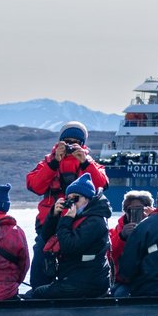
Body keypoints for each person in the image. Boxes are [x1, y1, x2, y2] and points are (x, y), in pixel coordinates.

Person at [26, 121, 109, 289]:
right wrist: (54, 163)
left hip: (81, 225)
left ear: (82, 144)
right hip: (50, 223)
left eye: (76, 142)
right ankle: (38, 293)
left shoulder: (90, 164)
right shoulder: (48, 162)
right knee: (42, 252)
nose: (71, 145)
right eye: (67, 141)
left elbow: (102, 184)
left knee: (80, 259)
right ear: (60, 142)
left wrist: (85, 163)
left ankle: (73, 291)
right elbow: (35, 186)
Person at [24, 172, 112, 300]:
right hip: (74, 277)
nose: (72, 203)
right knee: (36, 291)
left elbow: (70, 246)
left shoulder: (95, 221)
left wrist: (66, 221)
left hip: (87, 282)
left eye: (75, 199)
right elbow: (45, 237)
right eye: (68, 199)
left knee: (38, 294)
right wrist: (54, 215)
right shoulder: (77, 217)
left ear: (87, 199)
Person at [109, 190, 154, 279]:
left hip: (150, 280)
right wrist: (121, 237)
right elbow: (109, 257)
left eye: (140, 209)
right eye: (131, 210)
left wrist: (153, 219)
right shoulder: (115, 232)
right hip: (124, 280)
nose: (136, 213)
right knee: (119, 293)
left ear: (148, 209)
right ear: (125, 211)